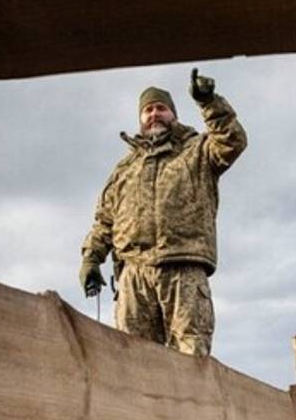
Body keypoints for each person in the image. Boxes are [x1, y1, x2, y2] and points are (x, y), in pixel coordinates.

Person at [78, 69, 247, 357]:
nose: (154, 114)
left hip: (183, 266)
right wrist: (91, 259)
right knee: (132, 360)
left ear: (173, 114)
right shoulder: (125, 169)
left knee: (191, 357)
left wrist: (209, 102)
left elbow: (232, 141)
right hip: (133, 275)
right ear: (140, 119)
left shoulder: (198, 151)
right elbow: (105, 221)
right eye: (147, 110)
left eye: (161, 108)